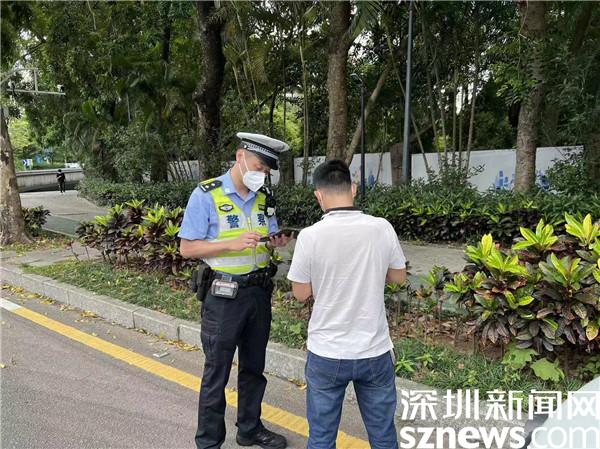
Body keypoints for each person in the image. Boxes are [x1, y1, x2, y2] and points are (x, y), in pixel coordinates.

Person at [179, 132, 292, 449]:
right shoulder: (206, 194)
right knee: (217, 371)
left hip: (258, 292)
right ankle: (209, 441)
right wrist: (231, 243)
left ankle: (250, 429)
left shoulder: (264, 198)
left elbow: (267, 236)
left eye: (266, 171)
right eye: (259, 167)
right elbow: (187, 248)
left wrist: (276, 242)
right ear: (241, 157)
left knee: (254, 367)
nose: (262, 175)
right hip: (224, 295)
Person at [287, 160, 407, 449]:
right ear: (353, 189)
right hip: (374, 350)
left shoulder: (310, 236)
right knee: (383, 436)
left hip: (327, 352)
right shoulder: (381, 228)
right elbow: (398, 278)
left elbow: (301, 293)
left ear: (318, 195)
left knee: (322, 438)